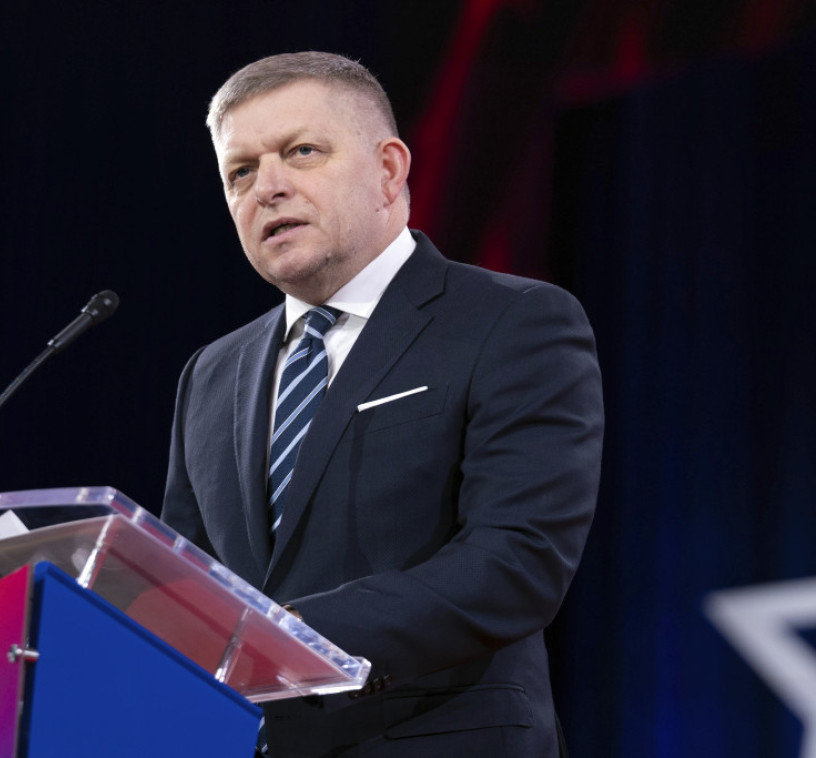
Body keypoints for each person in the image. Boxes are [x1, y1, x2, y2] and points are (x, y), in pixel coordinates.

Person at [161, 51, 603, 757]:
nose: (267, 187)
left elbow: (517, 562)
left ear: (389, 170)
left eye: (301, 152)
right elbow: (189, 591)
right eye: (239, 172)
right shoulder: (212, 374)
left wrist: (288, 635)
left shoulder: (513, 321)